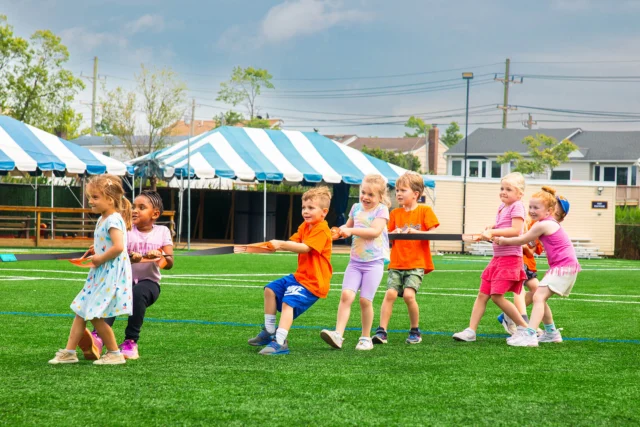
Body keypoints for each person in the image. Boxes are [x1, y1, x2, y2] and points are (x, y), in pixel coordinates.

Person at [48, 175, 133, 365]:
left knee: (94, 314)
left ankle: (115, 354)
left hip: (108, 273)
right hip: (100, 273)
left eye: (95, 197)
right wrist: (98, 249)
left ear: (110, 199)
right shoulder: (103, 219)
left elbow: (119, 247)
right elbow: (110, 243)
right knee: (81, 310)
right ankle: (69, 352)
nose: (90, 201)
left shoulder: (113, 219)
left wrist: (100, 257)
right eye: (90, 197)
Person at [83, 190, 174, 360]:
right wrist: (131, 258)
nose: (134, 210)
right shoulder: (124, 229)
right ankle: (97, 338)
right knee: (112, 294)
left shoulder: (163, 231)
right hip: (121, 279)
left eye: (142, 207)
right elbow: (114, 250)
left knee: (138, 293)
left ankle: (130, 342)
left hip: (149, 283)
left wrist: (159, 255)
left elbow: (169, 263)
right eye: (133, 206)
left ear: (155, 214)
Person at [247, 186, 333, 355]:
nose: (305, 212)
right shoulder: (305, 226)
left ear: (324, 212)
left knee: (289, 302)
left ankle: (280, 342)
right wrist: (272, 247)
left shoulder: (322, 229)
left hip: (313, 283)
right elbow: (292, 242)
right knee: (270, 289)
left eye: (311, 208)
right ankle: (269, 331)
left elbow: (305, 248)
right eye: (303, 208)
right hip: (300, 277)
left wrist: (281, 244)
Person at [495, 187, 580, 347]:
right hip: (565, 266)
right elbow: (530, 241)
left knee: (538, 297)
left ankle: (530, 335)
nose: (532, 211)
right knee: (539, 296)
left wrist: (502, 240)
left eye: (536, 208)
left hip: (563, 267)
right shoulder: (545, 223)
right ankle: (551, 332)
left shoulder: (544, 224)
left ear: (549, 210)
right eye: (531, 207)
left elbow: (522, 240)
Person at [452, 172, 530, 343]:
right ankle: (471, 331)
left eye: (509, 189)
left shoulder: (517, 206)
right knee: (482, 294)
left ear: (520, 194)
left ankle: (524, 328)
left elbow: (516, 230)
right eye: (502, 188)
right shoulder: (503, 207)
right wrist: (492, 226)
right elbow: (504, 224)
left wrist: (492, 231)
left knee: (496, 296)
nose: (503, 192)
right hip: (498, 258)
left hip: (510, 258)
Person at [320, 175, 390, 351]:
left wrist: (350, 230)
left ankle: (365, 338)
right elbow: (348, 225)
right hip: (355, 262)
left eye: (371, 195)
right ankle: (338, 335)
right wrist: (339, 231)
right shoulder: (356, 208)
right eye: (363, 192)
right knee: (346, 296)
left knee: (365, 301)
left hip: (374, 263)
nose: (365, 197)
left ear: (380, 197)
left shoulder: (382, 210)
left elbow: (374, 232)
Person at [372, 171, 439, 345]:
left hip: (416, 263)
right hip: (397, 263)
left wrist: (416, 232)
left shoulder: (425, 210)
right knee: (390, 294)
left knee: (409, 295)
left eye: (403, 190)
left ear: (415, 194)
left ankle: (415, 330)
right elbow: (386, 237)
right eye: (397, 190)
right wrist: (391, 233)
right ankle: (381, 331)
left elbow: (433, 233)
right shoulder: (394, 214)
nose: (398, 194)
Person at [497, 216, 543, 335]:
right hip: (515, 262)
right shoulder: (525, 220)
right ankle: (524, 322)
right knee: (519, 290)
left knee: (537, 290)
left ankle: (507, 316)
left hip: (528, 265)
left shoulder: (539, 226)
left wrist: (524, 245)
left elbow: (531, 252)